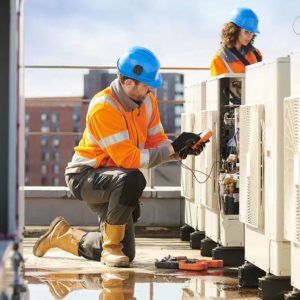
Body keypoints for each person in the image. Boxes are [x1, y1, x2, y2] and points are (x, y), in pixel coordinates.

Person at [32, 46, 205, 267]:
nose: (150, 91)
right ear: (128, 82)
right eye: (146, 86)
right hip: (86, 177)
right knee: (133, 179)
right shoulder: (104, 107)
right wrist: (170, 150)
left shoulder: (147, 102)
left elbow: (156, 142)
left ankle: (63, 236)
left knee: (128, 254)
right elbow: (127, 159)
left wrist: (179, 151)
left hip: (117, 178)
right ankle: (110, 249)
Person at [210, 7, 262, 76]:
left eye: (252, 32)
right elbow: (220, 86)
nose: (250, 36)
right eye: (247, 32)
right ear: (235, 30)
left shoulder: (256, 54)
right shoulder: (219, 60)